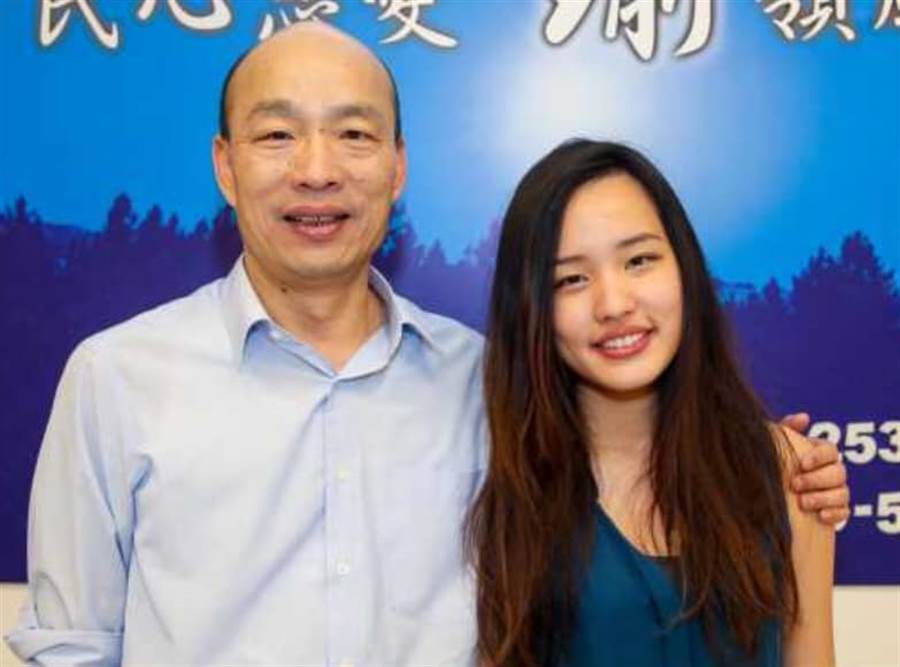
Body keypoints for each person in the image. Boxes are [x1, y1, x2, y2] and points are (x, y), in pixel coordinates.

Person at [7, 24, 846, 667]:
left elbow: (642, 452)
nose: (317, 169)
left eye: (353, 135)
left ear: (398, 166)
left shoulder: (484, 385)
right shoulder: (117, 379)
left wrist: (788, 465)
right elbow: (71, 646)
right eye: (277, 135)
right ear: (225, 166)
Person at [466, 139, 835, 666]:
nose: (614, 304)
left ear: (684, 267)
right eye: (571, 279)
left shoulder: (791, 471)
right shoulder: (507, 489)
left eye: (639, 260)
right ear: (531, 309)